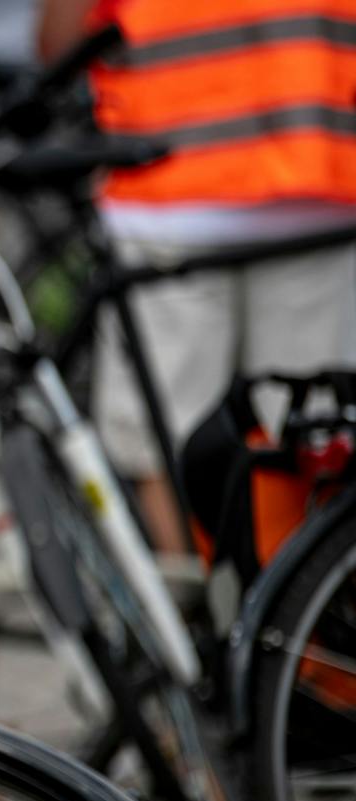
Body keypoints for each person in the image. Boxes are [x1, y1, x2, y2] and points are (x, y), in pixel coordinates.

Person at [39, 0, 356, 549]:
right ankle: (303, 599)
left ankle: (202, 597)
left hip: (167, 182)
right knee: (314, 432)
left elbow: (57, 46)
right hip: (316, 167)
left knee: (168, 438)